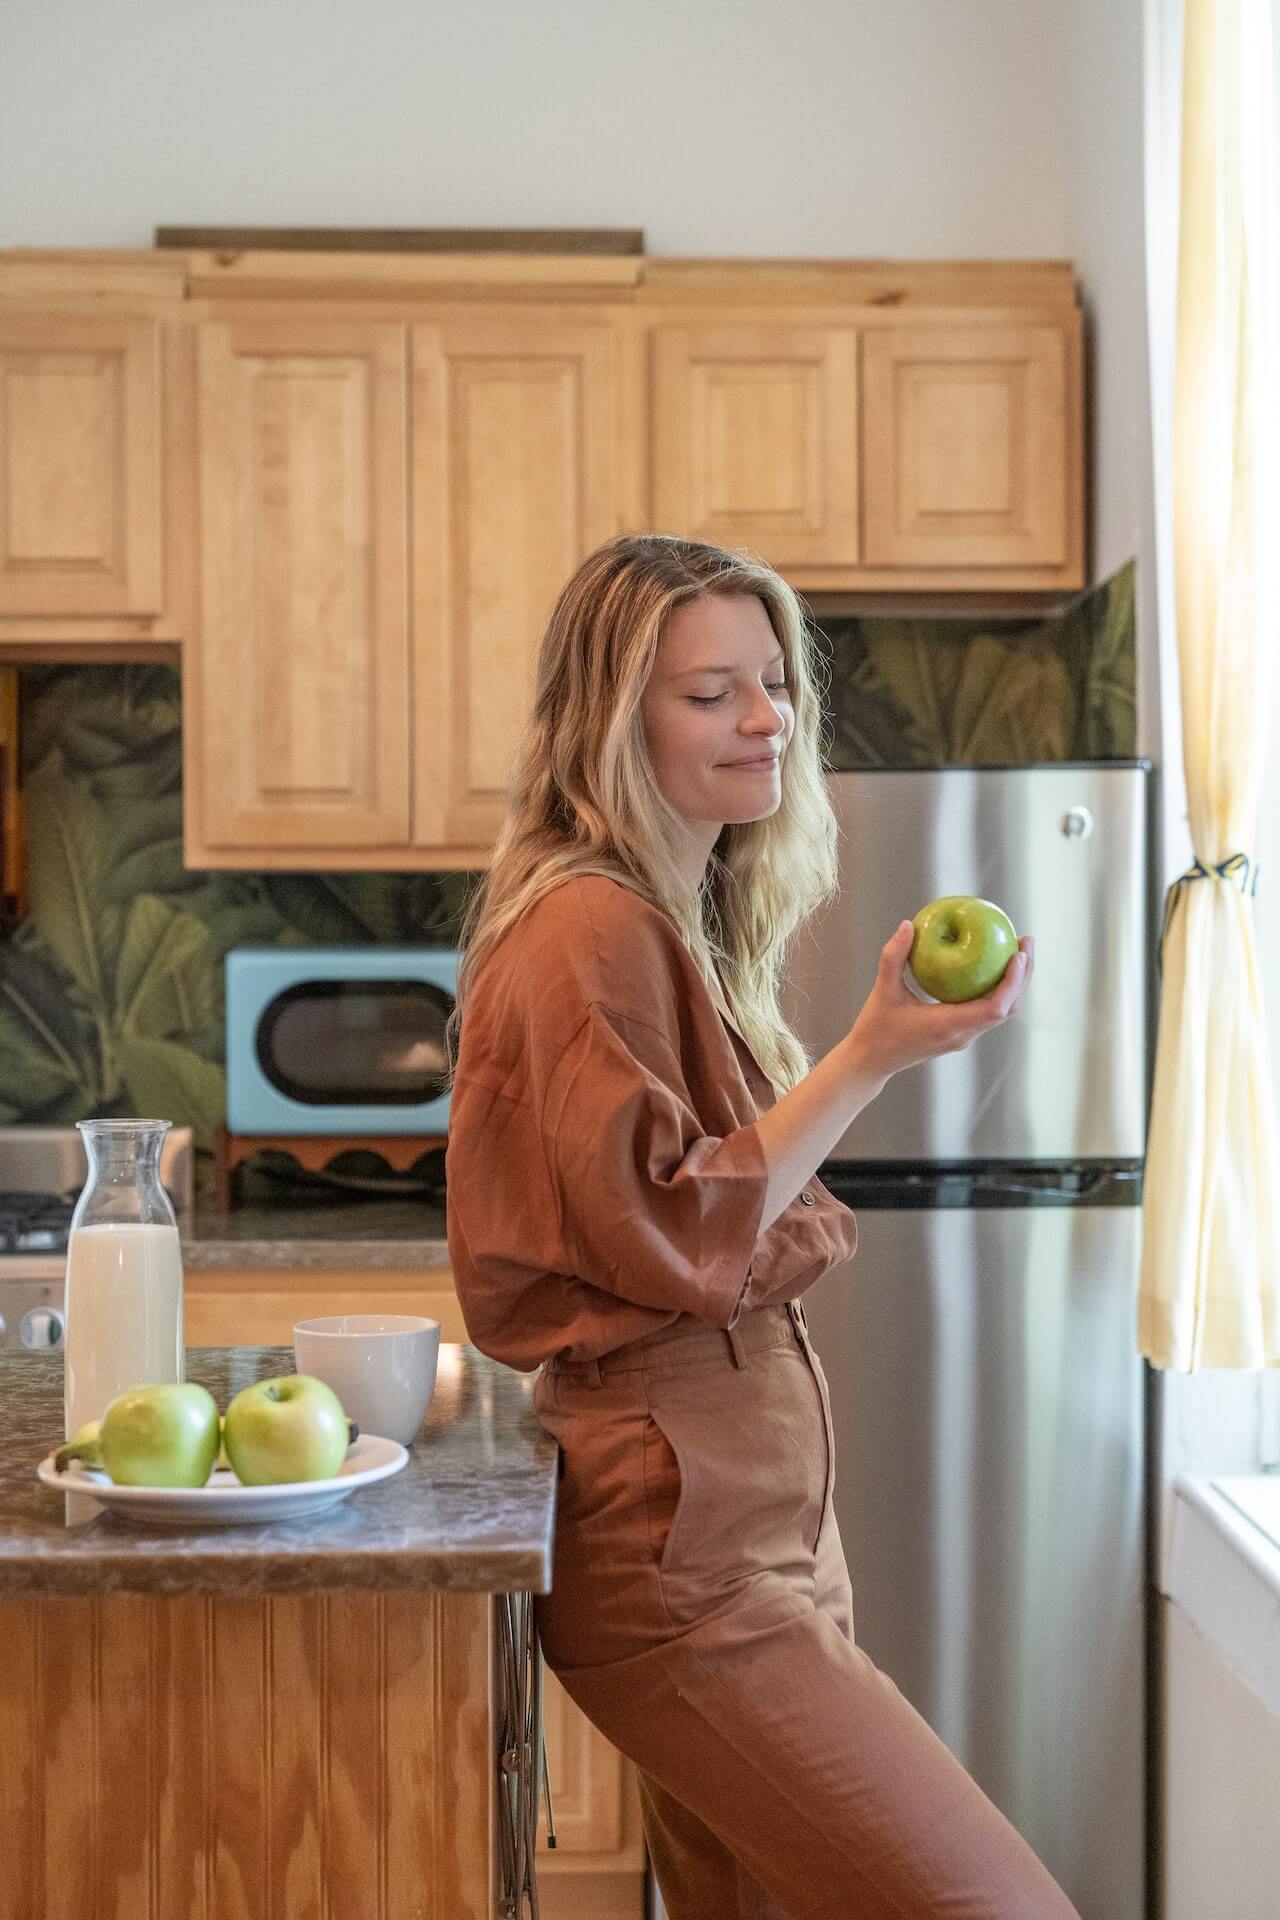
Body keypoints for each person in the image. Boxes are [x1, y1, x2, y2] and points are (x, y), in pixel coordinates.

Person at [444, 533, 1076, 1920]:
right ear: (614, 722)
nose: (767, 719)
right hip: (685, 1546)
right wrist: (872, 1053)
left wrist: (877, 1055)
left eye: (775, 684)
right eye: (710, 692)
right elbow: (675, 1223)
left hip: (744, 1518)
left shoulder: (664, 914)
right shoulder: (588, 930)